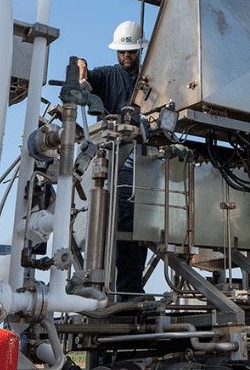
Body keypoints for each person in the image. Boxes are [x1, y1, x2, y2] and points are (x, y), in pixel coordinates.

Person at [76, 20, 148, 299]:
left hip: (147, 159)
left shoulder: (151, 78)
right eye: (122, 52)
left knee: (142, 225)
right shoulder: (107, 76)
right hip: (115, 159)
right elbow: (85, 76)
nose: (126, 56)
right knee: (123, 221)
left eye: (130, 51)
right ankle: (123, 291)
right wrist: (80, 67)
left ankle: (128, 291)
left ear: (140, 50)